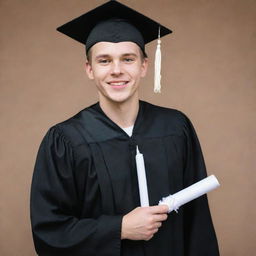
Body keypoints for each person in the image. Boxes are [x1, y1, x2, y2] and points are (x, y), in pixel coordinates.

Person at [30, 1, 219, 255]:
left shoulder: (176, 128)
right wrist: (118, 228)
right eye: (104, 60)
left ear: (143, 66)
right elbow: (49, 232)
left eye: (128, 59)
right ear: (89, 69)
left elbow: (198, 226)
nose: (117, 70)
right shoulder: (65, 140)